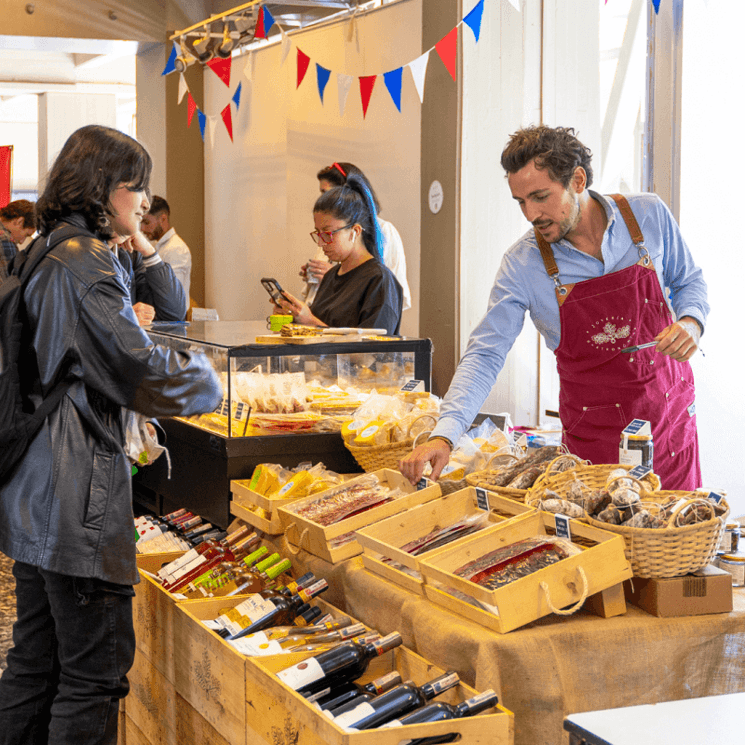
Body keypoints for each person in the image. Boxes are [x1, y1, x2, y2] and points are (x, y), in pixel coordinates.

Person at [0, 124, 222, 744]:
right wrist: (212, 381)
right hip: (73, 494)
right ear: (105, 187)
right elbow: (140, 369)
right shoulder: (87, 261)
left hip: (31, 484)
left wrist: (138, 249)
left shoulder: (49, 246)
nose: (142, 204)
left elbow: (165, 309)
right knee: (93, 675)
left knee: (35, 663)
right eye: (136, 189)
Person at [400, 125, 709, 491]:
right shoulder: (523, 264)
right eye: (520, 201)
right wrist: (445, 434)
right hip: (595, 450)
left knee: (678, 543)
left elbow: (690, 281)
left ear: (577, 180)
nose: (531, 214)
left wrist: (691, 322)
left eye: (541, 196)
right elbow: (485, 353)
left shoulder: (648, 215)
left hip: (670, 429)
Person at [274, 174, 403, 335]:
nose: (321, 243)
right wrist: (290, 319)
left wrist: (311, 323)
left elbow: (368, 354)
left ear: (354, 231)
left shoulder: (379, 281)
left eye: (328, 234)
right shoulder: (330, 277)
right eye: (318, 234)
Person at [300, 162, 411, 311]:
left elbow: (390, 293)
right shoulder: (329, 233)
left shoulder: (384, 231)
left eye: (326, 192)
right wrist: (315, 278)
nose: (323, 198)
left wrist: (337, 279)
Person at [140, 195, 193, 301]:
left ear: (162, 219)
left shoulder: (176, 249)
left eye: (146, 222)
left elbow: (172, 296)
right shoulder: (157, 246)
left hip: (171, 317)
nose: (142, 228)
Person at [0, 199, 36, 284]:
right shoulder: (5, 240)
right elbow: (10, 288)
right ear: (19, 222)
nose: (21, 242)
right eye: (26, 235)